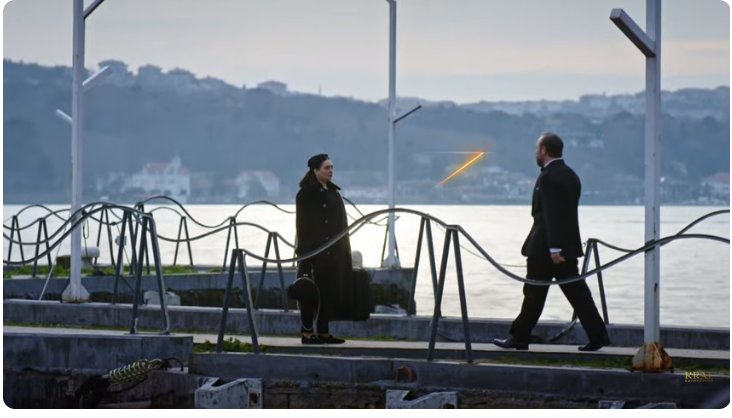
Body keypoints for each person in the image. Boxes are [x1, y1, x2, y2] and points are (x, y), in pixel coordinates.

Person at [493, 132, 611, 352]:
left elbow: (551, 214)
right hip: (567, 247)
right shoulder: (571, 175)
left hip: (546, 249)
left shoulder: (547, 177)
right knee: (577, 294)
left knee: (534, 294)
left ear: (544, 150)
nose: (536, 153)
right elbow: (566, 215)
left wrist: (554, 248)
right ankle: (598, 335)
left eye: (537, 149)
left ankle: (519, 338)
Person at [294, 153, 352, 345]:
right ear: (315, 170)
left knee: (329, 293)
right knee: (309, 293)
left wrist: (344, 250)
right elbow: (302, 226)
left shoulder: (334, 193)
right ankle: (307, 333)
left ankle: (324, 332)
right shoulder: (305, 194)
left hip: (334, 252)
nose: (331, 171)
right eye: (327, 167)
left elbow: (343, 223)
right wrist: (305, 254)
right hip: (313, 252)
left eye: (332, 167)